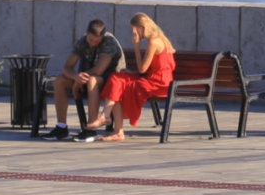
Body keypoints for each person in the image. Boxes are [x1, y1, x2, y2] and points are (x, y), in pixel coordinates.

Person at [86, 13, 176, 142]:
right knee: (116, 79)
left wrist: (137, 45)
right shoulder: (159, 38)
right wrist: (131, 72)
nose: (134, 32)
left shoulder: (153, 41)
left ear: (142, 27)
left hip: (159, 84)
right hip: (155, 79)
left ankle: (112, 124)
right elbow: (149, 69)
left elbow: (142, 69)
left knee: (119, 84)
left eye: (135, 29)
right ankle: (110, 121)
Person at [41, 19, 123, 141]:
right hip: (85, 78)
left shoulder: (109, 42)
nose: (93, 43)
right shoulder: (82, 42)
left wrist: (78, 80)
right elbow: (67, 67)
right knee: (59, 81)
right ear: (86, 33)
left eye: (97, 41)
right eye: (91, 40)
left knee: (92, 81)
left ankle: (90, 130)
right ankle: (61, 127)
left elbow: (99, 70)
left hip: (110, 82)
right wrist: (75, 77)